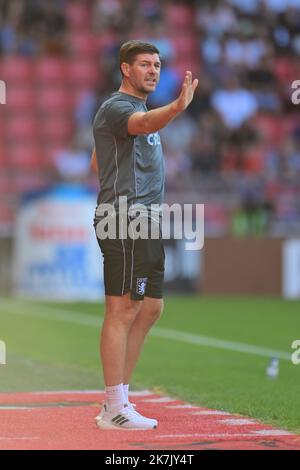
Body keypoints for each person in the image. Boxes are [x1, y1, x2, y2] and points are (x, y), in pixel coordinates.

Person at [92, 40, 198, 430]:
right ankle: (113, 406)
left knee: (151, 307)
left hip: (145, 220)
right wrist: (177, 107)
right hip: (125, 218)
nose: (153, 70)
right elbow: (145, 125)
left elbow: (98, 158)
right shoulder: (121, 108)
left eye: (157, 64)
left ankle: (120, 395)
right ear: (125, 69)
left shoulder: (134, 111)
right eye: (144, 64)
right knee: (122, 308)